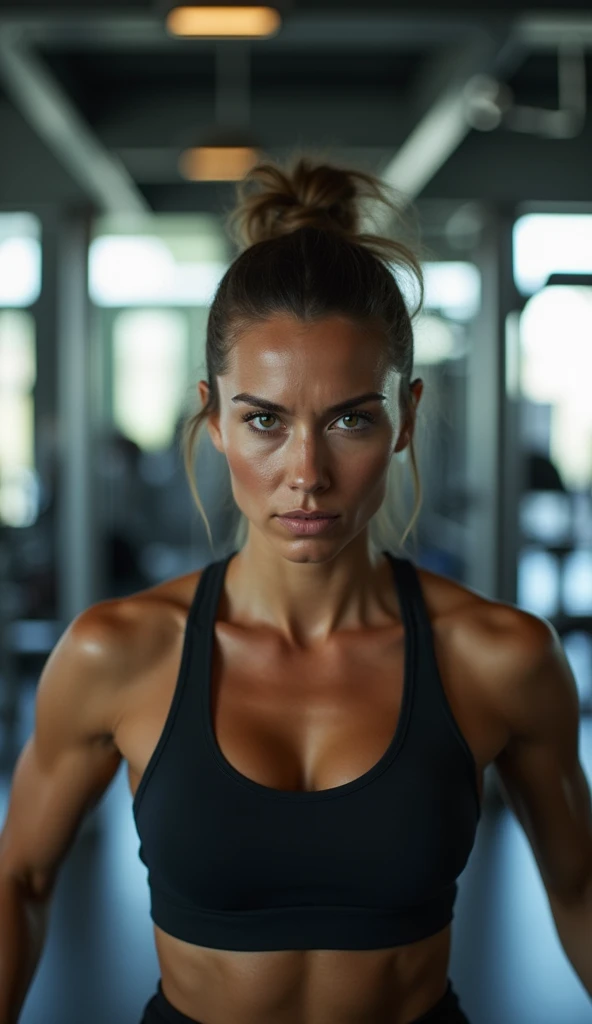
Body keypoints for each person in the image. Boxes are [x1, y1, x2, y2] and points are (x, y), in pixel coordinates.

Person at [1, 154, 591, 1024]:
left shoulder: (500, 658)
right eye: (265, 420)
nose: (306, 474)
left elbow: (580, 889)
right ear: (213, 417)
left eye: (351, 417)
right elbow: (18, 882)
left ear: (407, 418)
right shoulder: (117, 654)